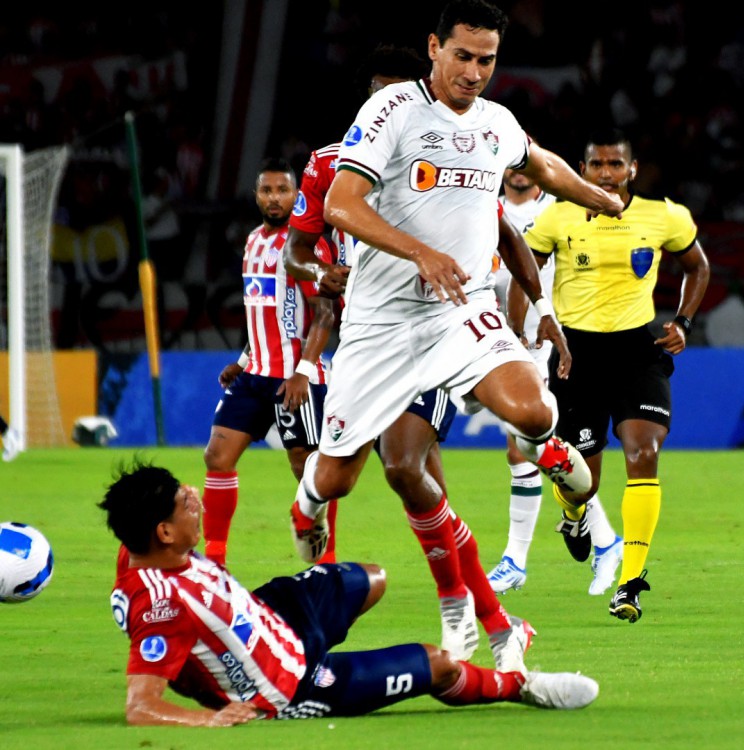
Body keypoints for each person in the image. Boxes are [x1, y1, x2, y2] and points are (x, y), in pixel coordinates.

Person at [289, 0, 623, 663]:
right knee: (337, 482)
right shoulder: (391, 111)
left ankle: (561, 483)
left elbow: (542, 162)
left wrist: (597, 196)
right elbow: (340, 205)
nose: (473, 72)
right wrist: (419, 251)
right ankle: (307, 506)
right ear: (436, 47)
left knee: (532, 411)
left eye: (487, 60)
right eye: (463, 57)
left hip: (460, 308)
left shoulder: (497, 122)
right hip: (382, 324)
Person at [283, 44, 534, 674]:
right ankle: (310, 505)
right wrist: (321, 270)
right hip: (372, 335)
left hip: (444, 323)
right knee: (349, 478)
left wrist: (544, 308)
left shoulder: (460, 138)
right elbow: (297, 251)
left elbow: (503, 229)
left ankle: (481, 617)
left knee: (410, 469)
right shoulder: (329, 166)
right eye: (379, 94)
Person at [100, 460, 599, 726]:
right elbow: (141, 706)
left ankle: (321, 626)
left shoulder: (141, 549)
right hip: (291, 685)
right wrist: (210, 717)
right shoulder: (160, 607)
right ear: (163, 533)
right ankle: (521, 686)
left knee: (371, 578)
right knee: (438, 663)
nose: (195, 496)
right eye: (184, 502)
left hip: (271, 617)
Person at [514, 127, 711, 623]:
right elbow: (524, 270)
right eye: (597, 165)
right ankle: (575, 516)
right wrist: (524, 326)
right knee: (581, 480)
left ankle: (631, 584)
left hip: (636, 350)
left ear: (632, 169)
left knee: (644, 452)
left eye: (615, 165)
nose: (606, 173)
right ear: (583, 170)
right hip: (575, 356)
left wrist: (683, 321)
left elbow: (698, 266)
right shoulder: (556, 216)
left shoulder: (663, 215)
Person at [487, 166, 621, 597]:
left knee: (524, 446)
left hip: (549, 339)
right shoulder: (486, 207)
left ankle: (516, 559)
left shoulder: (559, 213)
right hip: (495, 339)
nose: (516, 175)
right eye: (509, 169)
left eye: (523, 167)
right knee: (542, 448)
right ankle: (603, 540)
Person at [201, 158, 338, 568]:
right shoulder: (253, 241)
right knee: (217, 458)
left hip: (295, 379)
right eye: (267, 191)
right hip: (256, 374)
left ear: (297, 195)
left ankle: (325, 562)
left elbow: (325, 314)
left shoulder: (308, 245)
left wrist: (303, 372)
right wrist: (244, 359)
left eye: (282, 190)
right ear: (256, 195)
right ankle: (215, 562)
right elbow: (260, 308)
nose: (274, 198)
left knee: (308, 470)